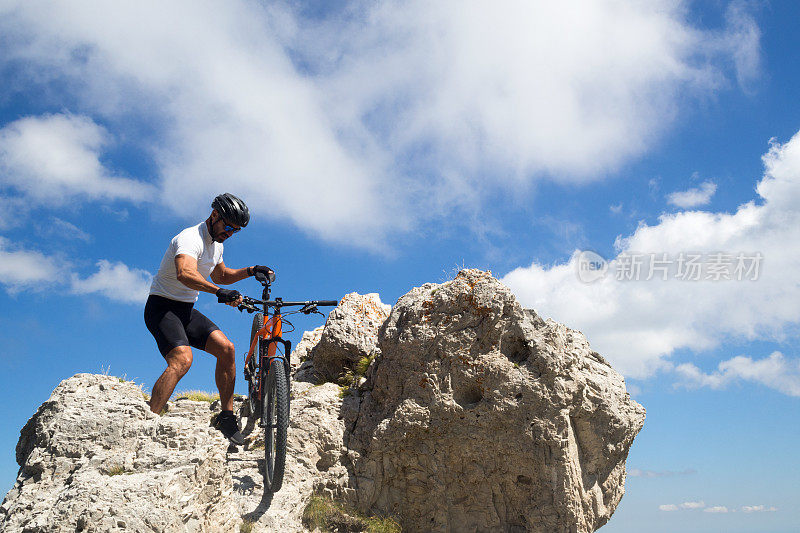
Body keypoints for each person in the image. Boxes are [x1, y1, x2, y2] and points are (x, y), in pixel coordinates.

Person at [144, 193, 274, 446]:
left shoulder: (218, 245)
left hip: (185, 310)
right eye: (227, 227)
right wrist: (218, 292)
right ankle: (149, 419)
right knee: (182, 360)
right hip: (161, 307)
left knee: (226, 349)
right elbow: (184, 273)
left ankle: (226, 416)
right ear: (214, 215)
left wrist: (250, 271)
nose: (229, 233)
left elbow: (222, 275)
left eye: (235, 231)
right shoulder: (189, 238)